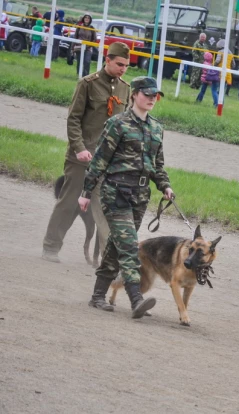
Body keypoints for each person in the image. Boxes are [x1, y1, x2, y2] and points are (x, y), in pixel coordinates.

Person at [78, 76, 173, 319]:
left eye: (155, 96)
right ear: (134, 95)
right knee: (130, 246)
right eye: (147, 94)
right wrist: (86, 192)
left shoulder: (156, 128)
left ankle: (98, 296)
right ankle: (136, 299)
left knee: (116, 245)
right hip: (116, 193)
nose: (152, 99)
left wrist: (165, 186)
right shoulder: (117, 124)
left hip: (140, 196)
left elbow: (157, 165)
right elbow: (99, 160)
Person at [42, 42, 132, 263]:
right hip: (82, 158)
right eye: (119, 64)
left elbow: (123, 125)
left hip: (107, 161)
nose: (123, 69)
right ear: (107, 60)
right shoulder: (87, 84)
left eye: (126, 66)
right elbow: (73, 119)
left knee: (103, 208)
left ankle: (107, 261)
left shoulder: (125, 88)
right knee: (70, 202)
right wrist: (79, 149)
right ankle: (50, 247)